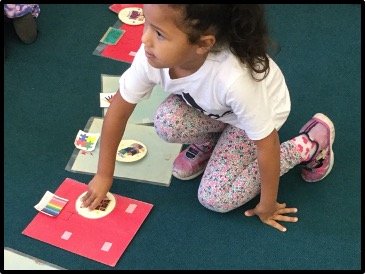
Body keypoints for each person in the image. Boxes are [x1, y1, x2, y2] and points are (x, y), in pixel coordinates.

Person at [81, 4, 335, 232]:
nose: (144, 38)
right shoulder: (151, 54)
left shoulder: (234, 79)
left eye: (159, 33)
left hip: (258, 119)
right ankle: (214, 143)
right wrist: (104, 174)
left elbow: (266, 144)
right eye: (147, 22)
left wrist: (267, 204)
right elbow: (119, 110)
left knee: (216, 198)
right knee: (166, 122)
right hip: (217, 110)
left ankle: (309, 144)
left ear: (203, 44)